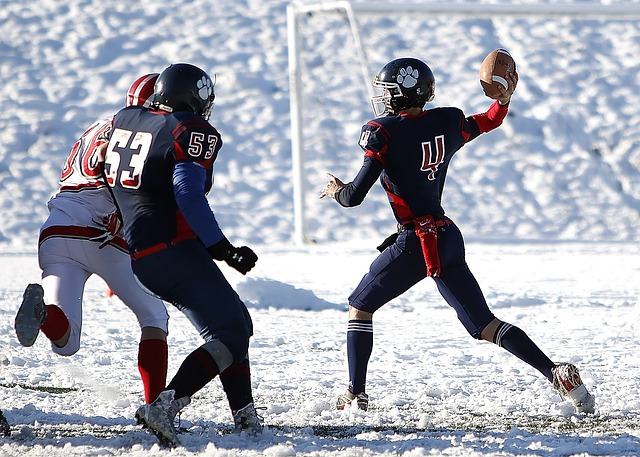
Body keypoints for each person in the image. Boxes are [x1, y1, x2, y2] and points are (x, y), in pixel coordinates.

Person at [320, 57, 595, 415]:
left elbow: (354, 197)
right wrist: (504, 99)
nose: (384, 99)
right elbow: (491, 119)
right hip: (447, 237)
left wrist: (337, 189)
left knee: (360, 306)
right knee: (484, 325)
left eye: (389, 91)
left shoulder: (384, 133)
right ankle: (556, 373)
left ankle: (355, 393)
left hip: (415, 241)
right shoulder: (446, 122)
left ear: (401, 94)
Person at [103, 62, 260, 446]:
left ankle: (245, 415)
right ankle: (165, 406)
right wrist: (223, 249)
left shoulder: (127, 119)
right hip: (171, 247)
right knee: (232, 331)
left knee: (237, 320)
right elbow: (187, 192)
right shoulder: (188, 129)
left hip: (145, 251)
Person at [14, 73, 170, 404]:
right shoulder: (143, 132)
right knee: (154, 316)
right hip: (101, 233)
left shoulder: (97, 126)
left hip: (55, 230)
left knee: (66, 343)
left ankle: (43, 314)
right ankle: (155, 407)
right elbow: (126, 185)